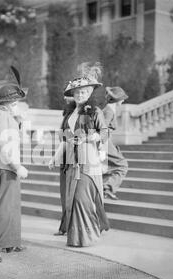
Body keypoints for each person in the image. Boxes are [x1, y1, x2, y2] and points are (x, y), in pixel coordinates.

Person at [49, 62, 110, 247]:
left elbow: (105, 133)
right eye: (77, 92)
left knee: (81, 197)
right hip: (70, 161)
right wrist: (55, 157)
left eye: (84, 92)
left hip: (88, 160)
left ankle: (88, 237)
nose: (80, 95)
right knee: (71, 198)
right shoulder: (68, 115)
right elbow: (64, 140)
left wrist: (90, 137)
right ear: (72, 95)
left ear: (90, 93)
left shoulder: (95, 112)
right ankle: (75, 237)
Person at [0, 81, 28, 263]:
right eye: (14, 101)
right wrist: (16, 166)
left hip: (7, 166)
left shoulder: (7, 115)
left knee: (12, 207)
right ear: (5, 102)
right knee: (3, 208)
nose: (16, 103)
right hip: (5, 166)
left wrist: (17, 123)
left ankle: (12, 242)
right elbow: (3, 144)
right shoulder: (0, 115)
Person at [102, 86, 129, 200]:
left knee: (111, 167)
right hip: (104, 142)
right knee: (122, 165)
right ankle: (107, 188)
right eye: (122, 98)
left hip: (104, 142)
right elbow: (102, 129)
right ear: (117, 99)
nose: (123, 101)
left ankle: (103, 188)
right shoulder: (108, 111)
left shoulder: (107, 109)